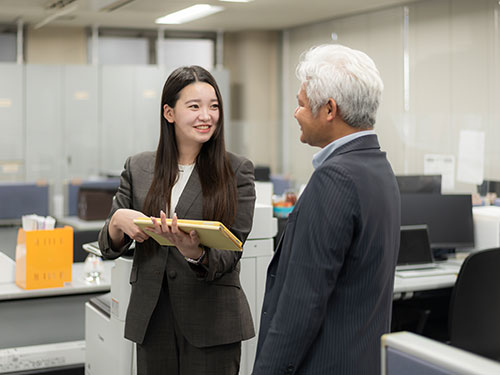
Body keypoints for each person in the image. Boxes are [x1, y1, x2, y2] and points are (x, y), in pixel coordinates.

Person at [252, 44, 401, 374]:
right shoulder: (378, 168)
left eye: (302, 104)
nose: (296, 113)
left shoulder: (335, 179)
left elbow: (300, 305)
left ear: (330, 109)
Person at [98, 65, 256, 375]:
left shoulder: (236, 170)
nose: (206, 115)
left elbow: (231, 251)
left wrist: (194, 252)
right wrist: (117, 221)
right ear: (169, 113)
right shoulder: (139, 167)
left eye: (213, 106)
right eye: (194, 106)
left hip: (211, 322)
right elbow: (109, 246)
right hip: (153, 318)